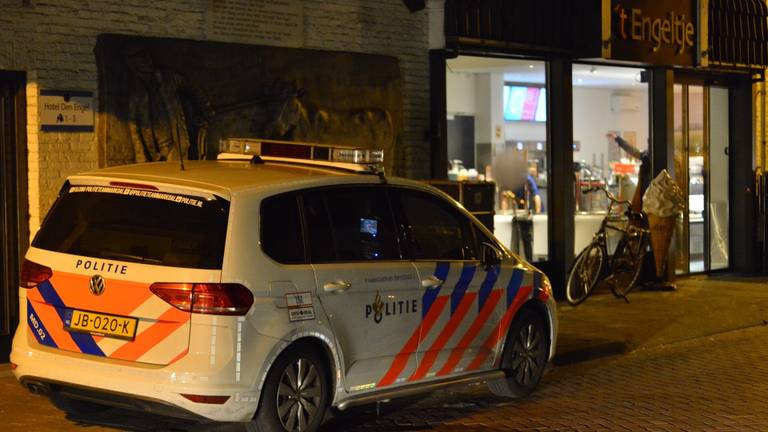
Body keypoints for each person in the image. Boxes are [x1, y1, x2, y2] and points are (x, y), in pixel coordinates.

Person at [509, 167, 542, 261]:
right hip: (520, 212)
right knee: (518, 237)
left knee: (527, 237)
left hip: (530, 211)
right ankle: (518, 259)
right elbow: (509, 196)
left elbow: (536, 197)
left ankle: (529, 260)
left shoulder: (527, 179)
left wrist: (538, 213)